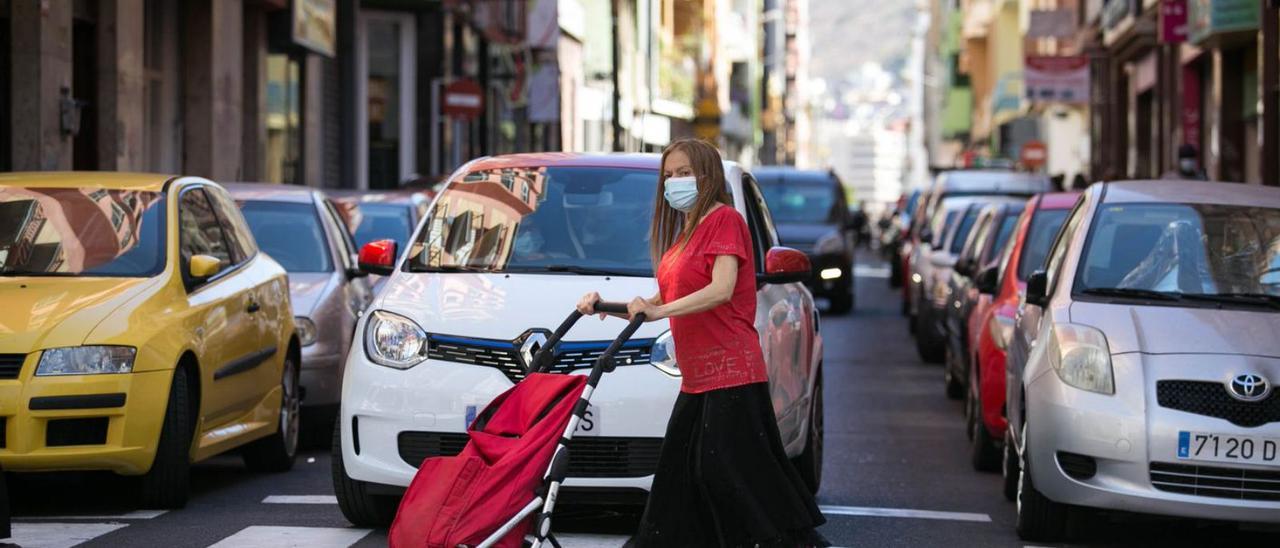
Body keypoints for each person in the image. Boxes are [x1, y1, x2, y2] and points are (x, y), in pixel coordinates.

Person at [577, 139, 827, 548]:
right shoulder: (685, 234)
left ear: (707, 176)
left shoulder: (724, 219)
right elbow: (664, 299)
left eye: (683, 173)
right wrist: (611, 306)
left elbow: (722, 289)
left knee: (733, 482)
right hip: (697, 380)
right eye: (669, 176)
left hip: (731, 376)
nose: (674, 182)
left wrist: (659, 312)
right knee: (680, 482)